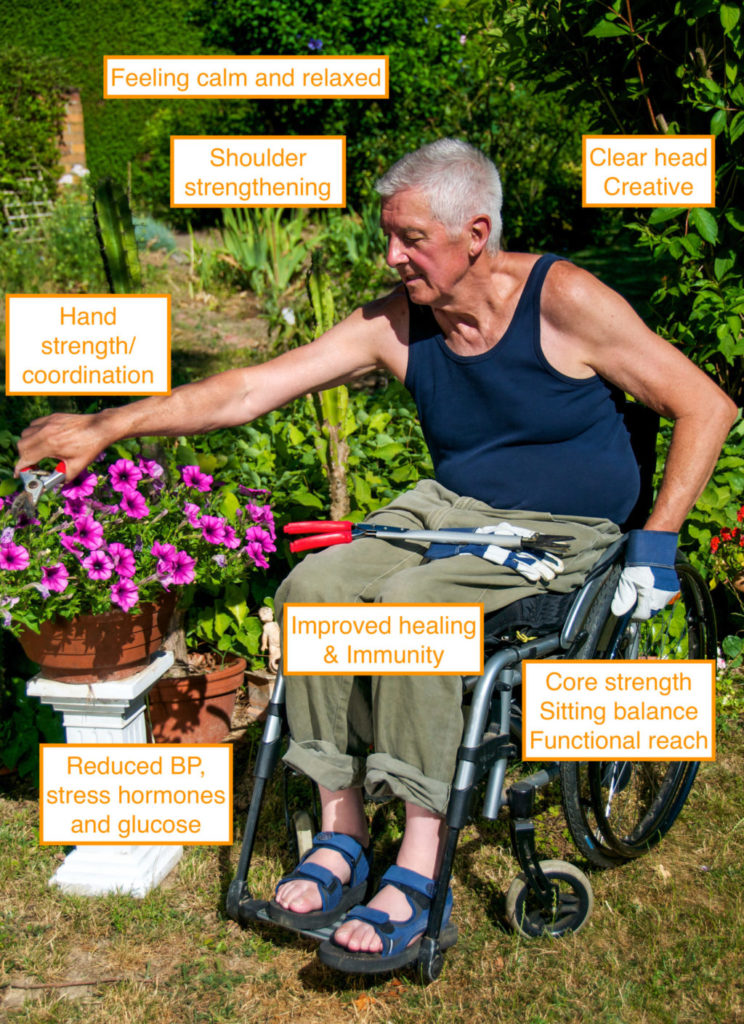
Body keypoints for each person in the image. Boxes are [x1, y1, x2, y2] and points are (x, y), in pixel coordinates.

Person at [16, 139, 736, 972]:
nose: (392, 257)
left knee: (415, 612)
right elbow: (252, 388)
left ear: (475, 233)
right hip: (448, 513)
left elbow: (703, 405)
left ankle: (421, 867)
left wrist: (657, 542)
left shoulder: (563, 300)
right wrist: (110, 425)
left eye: (410, 240)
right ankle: (342, 831)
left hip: (560, 528)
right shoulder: (400, 318)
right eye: (389, 236)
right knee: (312, 589)